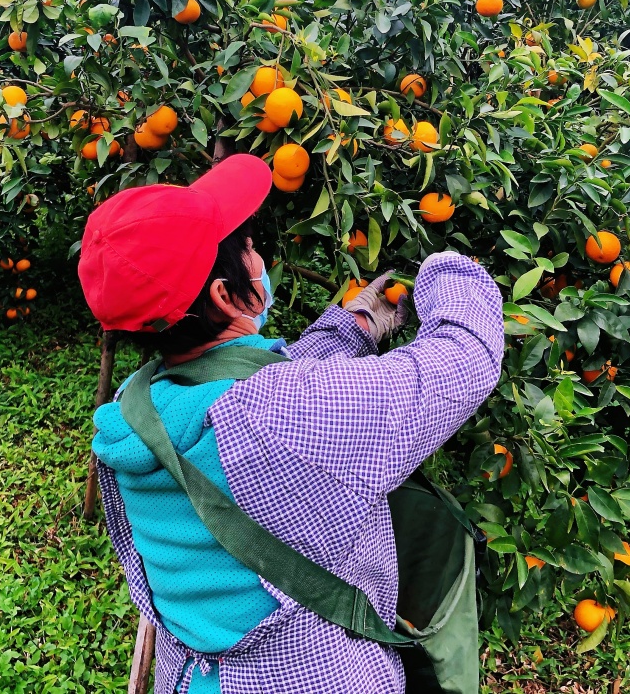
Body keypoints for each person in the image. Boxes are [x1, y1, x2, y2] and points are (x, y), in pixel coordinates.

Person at [78, 153, 504, 694]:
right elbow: (464, 361)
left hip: (193, 675)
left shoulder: (135, 405)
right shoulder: (280, 415)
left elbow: (256, 384)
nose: (258, 256)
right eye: (248, 247)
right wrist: (449, 271)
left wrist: (352, 327)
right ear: (224, 295)